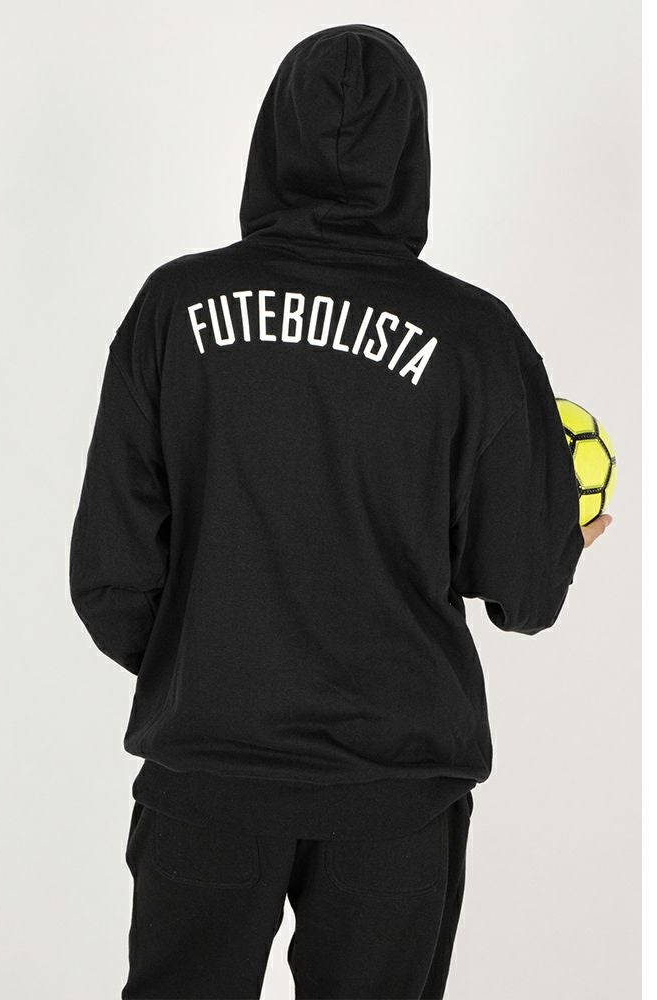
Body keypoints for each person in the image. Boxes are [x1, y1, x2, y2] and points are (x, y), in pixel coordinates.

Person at [70, 23, 611, 1000]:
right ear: (411, 154)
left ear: (272, 135)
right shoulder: (474, 336)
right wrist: (556, 534)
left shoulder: (172, 310)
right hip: (395, 797)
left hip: (208, 778)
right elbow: (524, 591)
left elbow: (112, 579)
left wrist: (218, 667)